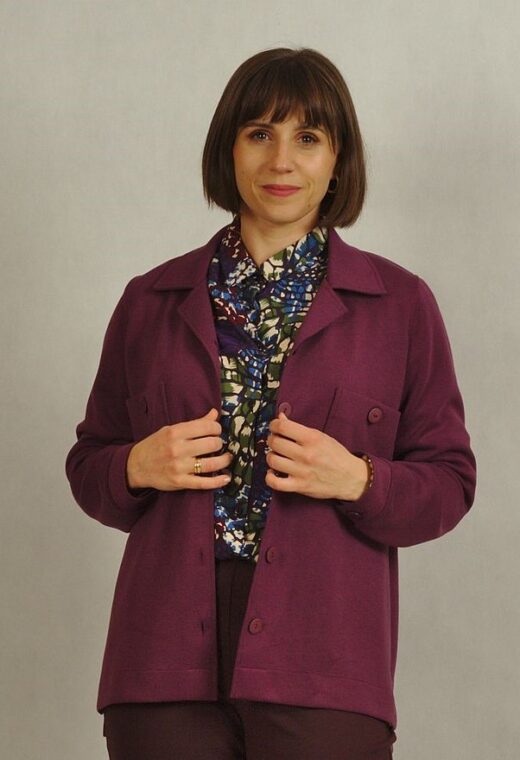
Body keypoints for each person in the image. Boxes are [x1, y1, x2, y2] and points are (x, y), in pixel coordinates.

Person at [66, 47, 476, 760]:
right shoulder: (149, 300)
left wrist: (359, 479)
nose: (281, 161)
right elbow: (88, 465)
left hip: (326, 663)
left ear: (337, 159)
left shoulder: (401, 306)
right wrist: (133, 466)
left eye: (307, 137)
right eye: (259, 133)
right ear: (228, 149)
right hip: (162, 663)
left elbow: (450, 483)